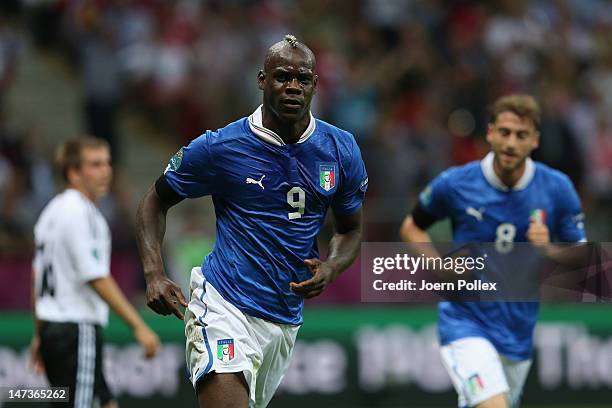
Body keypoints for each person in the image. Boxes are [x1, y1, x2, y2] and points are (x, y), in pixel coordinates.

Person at [136, 34, 367, 408]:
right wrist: (153, 272)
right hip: (224, 304)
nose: (292, 86)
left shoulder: (340, 149)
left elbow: (350, 228)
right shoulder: (220, 147)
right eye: (282, 77)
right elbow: (153, 202)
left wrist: (332, 266)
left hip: (283, 320)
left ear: (314, 85)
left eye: (302, 79)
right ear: (262, 80)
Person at [400, 95, 586, 408]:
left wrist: (549, 249)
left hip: (518, 331)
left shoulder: (556, 188)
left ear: (535, 140)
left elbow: (582, 256)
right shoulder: (457, 183)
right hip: (465, 323)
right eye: (504, 132)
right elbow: (411, 226)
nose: (511, 143)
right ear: (490, 133)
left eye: (521, 135)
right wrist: (439, 267)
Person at [30, 137, 160, 408]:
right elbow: (95, 276)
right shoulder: (80, 213)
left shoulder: (50, 213)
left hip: (56, 328)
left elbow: (37, 277)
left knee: (106, 402)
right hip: (76, 329)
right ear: (73, 172)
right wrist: (139, 326)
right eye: (95, 164)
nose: (106, 171)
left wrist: (40, 333)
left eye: (108, 163)